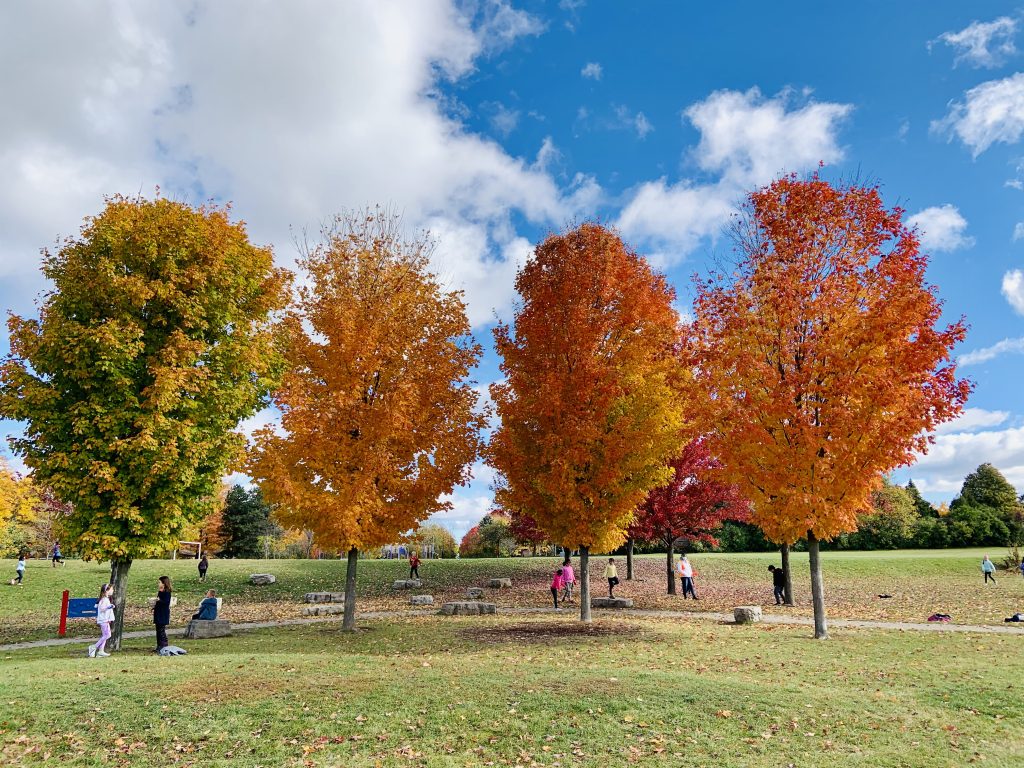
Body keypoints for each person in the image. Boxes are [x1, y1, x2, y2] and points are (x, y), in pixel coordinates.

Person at [88, 584, 115, 658]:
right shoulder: (104, 599)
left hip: (105, 620)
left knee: (105, 635)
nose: (113, 591)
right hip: (103, 620)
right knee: (107, 635)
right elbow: (102, 608)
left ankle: (101, 651)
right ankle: (93, 647)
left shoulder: (105, 599)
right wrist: (110, 606)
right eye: (111, 589)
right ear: (107, 590)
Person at [154, 575, 172, 652]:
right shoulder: (160, 592)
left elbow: (166, 602)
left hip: (163, 613)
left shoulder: (167, 592)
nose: (158, 584)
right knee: (158, 630)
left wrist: (159, 600)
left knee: (161, 630)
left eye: (159, 582)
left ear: (164, 583)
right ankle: (159, 645)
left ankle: (164, 645)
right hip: (158, 612)